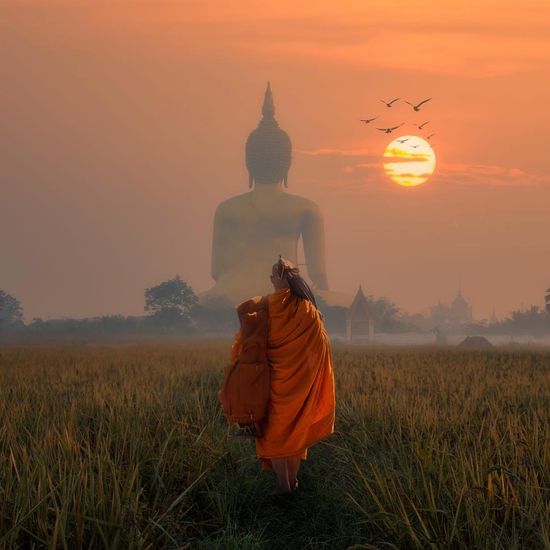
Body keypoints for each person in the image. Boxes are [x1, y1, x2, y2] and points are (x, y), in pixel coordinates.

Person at [229, 255, 336, 495]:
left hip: (272, 385)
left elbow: (247, 345)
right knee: (294, 436)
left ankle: (283, 486)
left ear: (275, 278)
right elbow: (320, 349)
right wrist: (307, 378)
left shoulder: (264, 307)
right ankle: (292, 483)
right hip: (299, 386)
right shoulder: (308, 309)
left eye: (271, 276)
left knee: (275, 435)